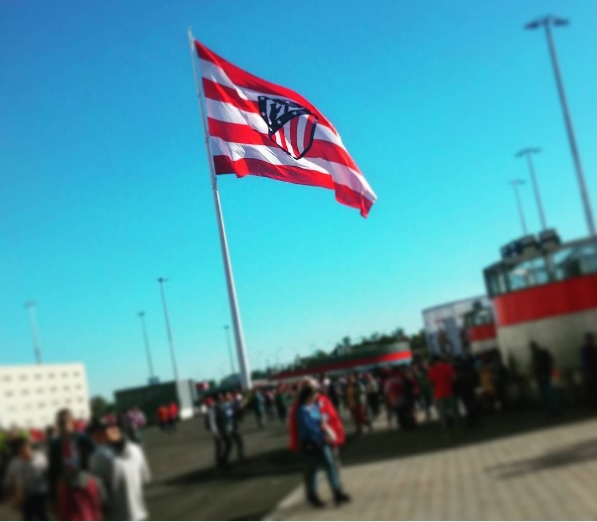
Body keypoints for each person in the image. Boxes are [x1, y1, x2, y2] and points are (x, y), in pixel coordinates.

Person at [294, 384, 351, 508]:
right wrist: (322, 432)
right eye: (314, 394)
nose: (316, 397)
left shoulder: (312, 407)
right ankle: (313, 495)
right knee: (313, 470)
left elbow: (320, 420)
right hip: (312, 443)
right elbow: (307, 428)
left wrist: (324, 426)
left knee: (330, 467)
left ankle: (337, 492)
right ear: (308, 396)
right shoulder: (301, 411)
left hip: (321, 442)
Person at [89, 417, 151, 521]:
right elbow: (145, 478)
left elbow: (98, 492)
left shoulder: (97, 456)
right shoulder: (136, 449)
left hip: (115, 516)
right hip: (139, 513)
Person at [48, 409, 101, 521]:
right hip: (65, 484)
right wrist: (52, 496)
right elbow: (52, 470)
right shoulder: (55, 444)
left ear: (72, 421)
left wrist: (92, 477)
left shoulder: (82, 438)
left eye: (65, 421)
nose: (62, 425)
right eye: (59, 423)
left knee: (88, 515)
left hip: (84, 482)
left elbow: (97, 454)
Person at [3, 437, 48, 520]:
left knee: (42, 517)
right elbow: (8, 483)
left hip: (39, 494)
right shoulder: (14, 464)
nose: (25, 450)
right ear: (18, 450)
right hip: (24, 497)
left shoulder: (40, 458)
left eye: (26, 446)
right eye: (21, 448)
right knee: (28, 517)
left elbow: (47, 474)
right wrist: (13, 497)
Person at [427, 357, 459, 434]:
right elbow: (454, 379)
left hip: (439, 394)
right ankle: (457, 424)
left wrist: (433, 393)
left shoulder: (431, 371)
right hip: (450, 392)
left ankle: (445, 427)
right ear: (440, 360)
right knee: (453, 410)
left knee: (442, 412)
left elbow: (431, 384)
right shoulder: (448, 367)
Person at [530, 341, 560, 414]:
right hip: (545, 374)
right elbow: (550, 361)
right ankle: (554, 409)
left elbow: (537, 366)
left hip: (542, 375)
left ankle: (554, 409)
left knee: (547, 393)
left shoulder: (537, 354)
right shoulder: (541, 353)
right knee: (549, 393)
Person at [580, 333, 597, 407]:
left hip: (591, 370)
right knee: (591, 387)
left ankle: (592, 402)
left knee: (592, 386)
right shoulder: (587, 349)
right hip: (590, 370)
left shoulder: (592, 348)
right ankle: (592, 403)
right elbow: (584, 361)